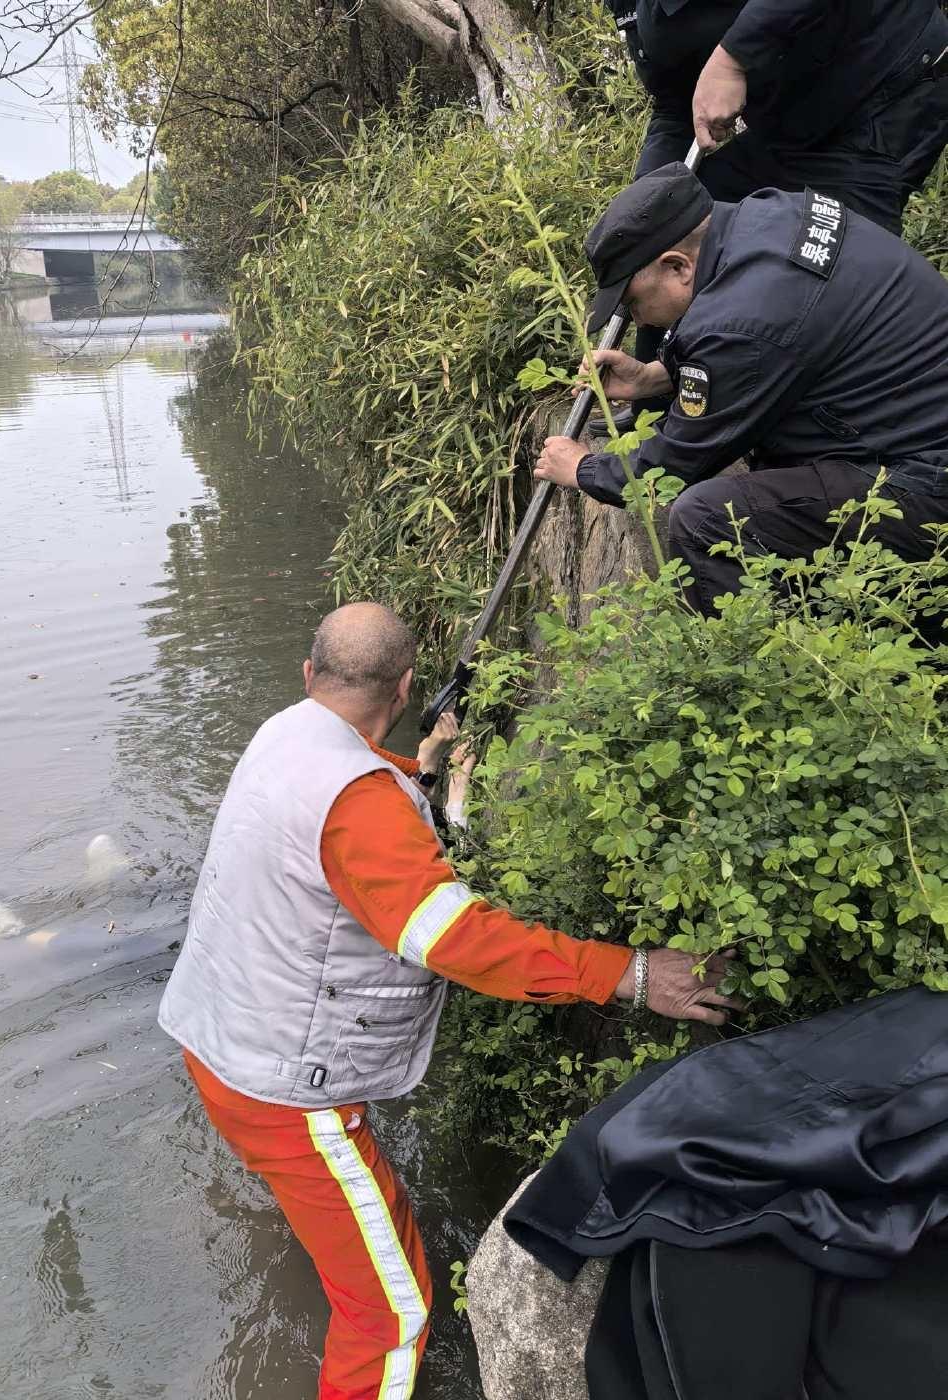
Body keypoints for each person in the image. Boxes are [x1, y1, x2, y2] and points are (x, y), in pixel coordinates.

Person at [157, 601, 739, 1400]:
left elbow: (351, 811)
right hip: (287, 1095)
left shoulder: (284, 733)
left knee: (352, 1234)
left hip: (214, 1040)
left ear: (308, 674)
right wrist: (632, 972)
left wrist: (423, 770)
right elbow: (461, 940)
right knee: (393, 1312)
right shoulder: (360, 804)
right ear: (403, 686)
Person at [533, 162, 948, 615]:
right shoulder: (767, 213)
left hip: (926, 481)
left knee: (704, 520)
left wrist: (585, 469)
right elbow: (784, 339)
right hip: (914, 419)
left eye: (632, 301)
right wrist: (657, 375)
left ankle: (782, 673)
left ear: (677, 266)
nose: (637, 320)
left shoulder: (742, 324)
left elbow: (672, 467)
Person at [596, 0, 948, 429]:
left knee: (839, 249)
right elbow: (673, 101)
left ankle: (871, 427)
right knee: (672, 232)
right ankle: (662, 400)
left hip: (882, 82)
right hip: (787, 109)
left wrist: (732, 57)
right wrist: (649, 208)